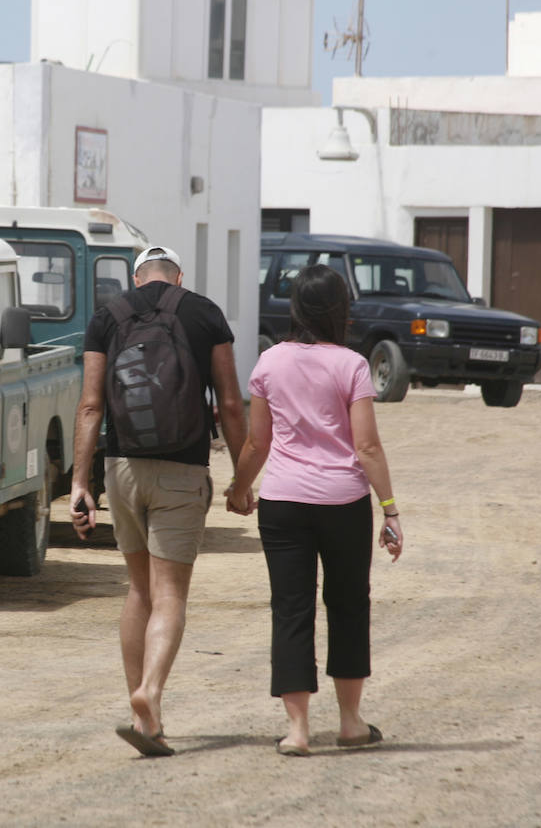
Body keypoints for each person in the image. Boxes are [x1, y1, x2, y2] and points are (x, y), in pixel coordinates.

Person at [69, 244, 250, 758]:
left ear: (135, 276)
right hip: (182, 469)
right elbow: (231, 404)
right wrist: (241, 477)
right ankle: (149, 693)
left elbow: (89, 405)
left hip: (121, 468)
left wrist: (81, 483)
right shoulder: (202, 311)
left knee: (139, 591)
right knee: (170, 594)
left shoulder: (107, 317)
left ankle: (141, 719)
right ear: (179, 277)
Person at [226, 264, 404, 757]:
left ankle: (298, 731)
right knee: (348, 606)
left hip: (282, 503)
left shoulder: (268, 363)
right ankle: (350, 723)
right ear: (340, 310)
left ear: (295, 308)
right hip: (344, 502)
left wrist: (239, 489)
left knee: (291, 610)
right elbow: (366, 446)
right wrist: (389, 510)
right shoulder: (351, 365)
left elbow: (257, 443)